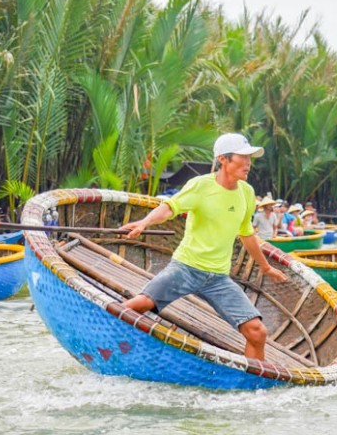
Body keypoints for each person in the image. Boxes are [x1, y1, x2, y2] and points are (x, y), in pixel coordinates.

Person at [120, 132, 287, 361]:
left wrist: (265, 267)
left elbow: (246, 233)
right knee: (136, 305)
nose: (248, 163)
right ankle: (108, 341)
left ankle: (251, 386)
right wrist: (145, 222)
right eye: (243, 157)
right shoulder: (200, 186)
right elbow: (170, 207)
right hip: (186, 267)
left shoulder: (247, 193)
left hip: (218, 277)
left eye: (250, 158)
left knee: (257, 332)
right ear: (223, 159)